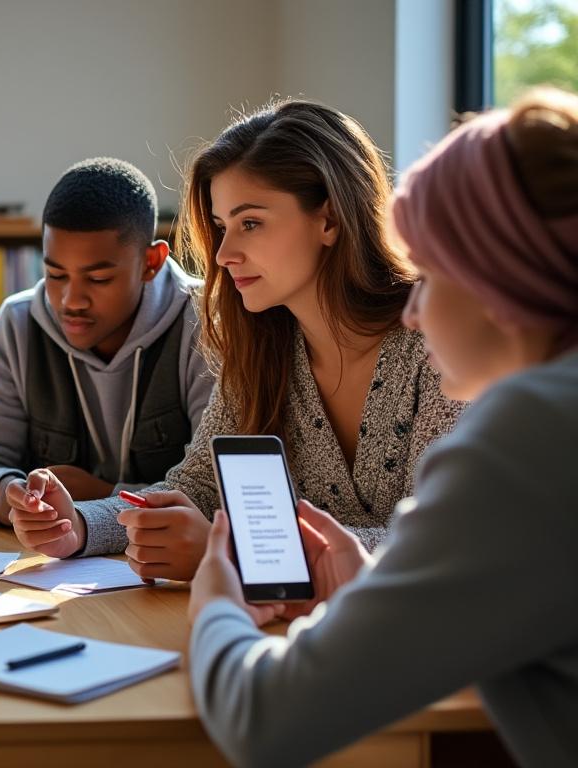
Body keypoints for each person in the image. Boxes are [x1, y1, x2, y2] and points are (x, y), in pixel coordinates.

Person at [187, 87, 578, 768]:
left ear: (501, 276)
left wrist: (214, 605)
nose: (414, 309)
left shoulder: (531, 432)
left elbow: (265, 721)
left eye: (427, 272)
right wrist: (386, 579)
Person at [8, 100, 464, 579]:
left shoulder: (439, 338)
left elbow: (448, 536)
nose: (224, 254)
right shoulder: (260, 347)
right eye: (222, 227)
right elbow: (199, 487)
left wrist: (235, 552)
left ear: (328, 219)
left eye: (250, 223)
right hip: (311, 628)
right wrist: (79, 524)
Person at [0, 158, 212, 526]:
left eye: (98, 278)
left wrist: (102, 496)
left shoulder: (207, 323)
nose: (71, 300)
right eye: (55, 274)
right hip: (51, 567)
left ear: (151, 262)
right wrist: (18, 500)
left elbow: (214, 489)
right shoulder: (19, 322)